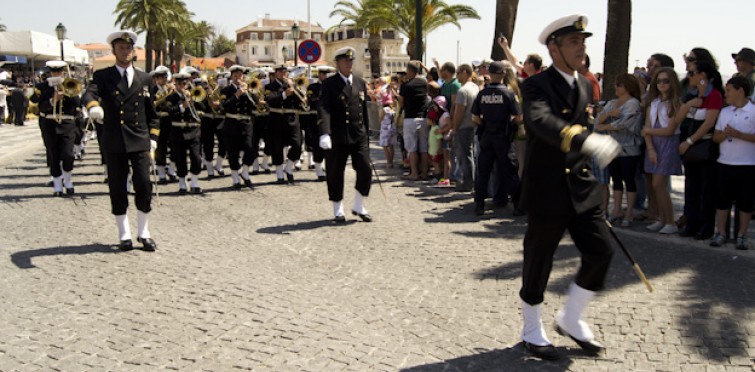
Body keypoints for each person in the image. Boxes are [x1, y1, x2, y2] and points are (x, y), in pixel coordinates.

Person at [518, 14, 621, 360]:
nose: (582, 47)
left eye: (583, 42)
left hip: (579, 186)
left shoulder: (583, 84)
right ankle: (531, 328)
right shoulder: (535, 85)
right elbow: (541, 121)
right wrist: (585, 140)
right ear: (554, 48)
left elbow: (583, 121)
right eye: (574, 42)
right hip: (547, 186)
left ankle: (571, 318)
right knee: (539, 259)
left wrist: (591, 139)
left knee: (601, 251)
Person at [82, 31, 159, 251]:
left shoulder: (145, 78)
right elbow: (88, 93)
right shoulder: (103, 77)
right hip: (115, 140)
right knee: (117, 186)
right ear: (114, 51)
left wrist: (153, 137)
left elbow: (152, 113)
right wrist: (93, 106)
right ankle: (124, 234)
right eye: (121, 48)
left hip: (140, 139)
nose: (125, 52)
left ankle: (144, 232)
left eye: (129, 48)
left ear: (133, 51)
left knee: (144, 184)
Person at [318, 47, 373, 223]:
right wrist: (325, 133)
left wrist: (367, 132)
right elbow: (324, 109)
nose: (349, 64)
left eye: (351, 61)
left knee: (365, 168)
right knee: (335, 172)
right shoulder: (329, 84)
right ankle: (338, 208)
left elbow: (363, 110)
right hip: (337, 135)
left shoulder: (359, 82)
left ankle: (358, 204)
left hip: (358, 134)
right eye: (345, 61)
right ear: (338, 64)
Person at [675, 59, 724, 240]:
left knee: (706, 188)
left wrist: (689, 141)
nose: (689, 77)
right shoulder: (691, 95)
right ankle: (691, 222)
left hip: (705, 146)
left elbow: (709, 122)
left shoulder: (715, 96)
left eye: (692, 73)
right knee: (691, 187)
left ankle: (705, 226)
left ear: (702, 75)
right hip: (690, 148)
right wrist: (689, 104)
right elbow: (678, 118)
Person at [471, 61, 522, 216]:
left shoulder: (482, 94)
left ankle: (479, 204)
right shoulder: (508, 94)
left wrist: (485, 124)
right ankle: (518, 206)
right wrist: (511, 124)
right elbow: (519, 117)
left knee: (484, 171)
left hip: (487, 136)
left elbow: (474, 118)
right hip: (503, 137)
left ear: (489, 74)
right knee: (509, 171)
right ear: (503, 75)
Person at [709, 77, 754, 250]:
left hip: (748, 165)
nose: (726, 94)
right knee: (722, 200)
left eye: (729, 90)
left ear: (740, 91)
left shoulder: (754, 111)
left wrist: (739, 134)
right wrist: (725, 134)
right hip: (724, 163)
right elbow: (716, 137)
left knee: (745, 202)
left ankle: (742, 234)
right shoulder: (725, 112)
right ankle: (720, 232)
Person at [595, 73, 643, 226]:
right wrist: (608, 114)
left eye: (619, 85)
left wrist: (606, 126)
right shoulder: (612, 103)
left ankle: (629, 212)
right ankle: (616, 209)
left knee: (629, 179)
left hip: (629, 148)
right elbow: (597, 122)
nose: (616, 87)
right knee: (615, 179)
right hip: (613, 147)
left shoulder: (633, 103)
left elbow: (625, 124)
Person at [641, 67, 683, 234]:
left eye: (666, 81)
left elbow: (669, 130)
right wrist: (650, 148)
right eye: (659, 81)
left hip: (668, 143)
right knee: (654, 184)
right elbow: (647, 126)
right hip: (654, 144)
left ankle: (670, 221)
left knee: (659, 183)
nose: (662, 84)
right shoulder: (653, 103)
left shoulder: (676, 103)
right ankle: (662, 218)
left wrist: (648, 132)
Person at [30, 61, 81, 196]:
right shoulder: (43, 87)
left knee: (68, 154)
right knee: (53, 155)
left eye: (59, 71)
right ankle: (58, 186)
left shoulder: (71, 84)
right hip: (49, 123)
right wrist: (54, 100)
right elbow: (38, 106)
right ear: (50, 72)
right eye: (54, 72)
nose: (56, 74)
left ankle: (68, 181)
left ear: (63, 72)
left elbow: (77, 103)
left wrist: (67, 91)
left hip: (67, 123)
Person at [159, 72, 205, 194]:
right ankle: (182, 183)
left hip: (193, 131)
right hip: (178, 131)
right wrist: (182, 106)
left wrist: (194, 100)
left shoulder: (193, 95)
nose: (182, 86)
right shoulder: (171, 98)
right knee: (180, 159)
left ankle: (194, 182)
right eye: (179, 84)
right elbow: (169, 111)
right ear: (176, 84)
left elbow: (203, 108)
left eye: (184, 83)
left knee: (196, 158)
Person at [220, 65, 256, 189]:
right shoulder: (225, 91)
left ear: (243, 76)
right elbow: (224, 107)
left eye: (240, 75)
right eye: (235, 76)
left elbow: (255, 106)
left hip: (246, 124)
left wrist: (246, 93)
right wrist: (236, 95)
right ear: (231, 77)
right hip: (232, 124)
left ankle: (245, 171)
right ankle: (235, 177)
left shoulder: (249, 90)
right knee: (233, 152)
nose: (237, 78)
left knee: (250, 149)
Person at [265, 65, 301, 184]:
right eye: (280, 72)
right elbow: (269, 100)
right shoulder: (269, 86)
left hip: (291, 119)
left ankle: (289, 166)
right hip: (276, 119)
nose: (283, 74)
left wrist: (293, 87)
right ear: (275, 73)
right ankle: (279, 173)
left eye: (284, 71)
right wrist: (284, 94)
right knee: (277, 147)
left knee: (297, 144)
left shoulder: (291, 85)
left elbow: (301, 100)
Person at [449, 64, 480, 191]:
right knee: (471, 155)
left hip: (464, 126)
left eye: (458, 73)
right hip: (474, 125)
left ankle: (468, 183)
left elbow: (459, 112)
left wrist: (455, 128)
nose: (457, 76)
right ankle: (471, 181)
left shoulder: (463, 91)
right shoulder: (475, 87)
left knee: (465, 156)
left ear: (465, 72)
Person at [399, 61, 430, 181]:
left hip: (410, 118)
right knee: (423, 148)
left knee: (412, 148)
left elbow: (401, 102)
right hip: (423, 118)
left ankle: (414, 173)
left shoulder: (405, 86)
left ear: (409, 70)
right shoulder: (424, 83)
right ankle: (425, 173)